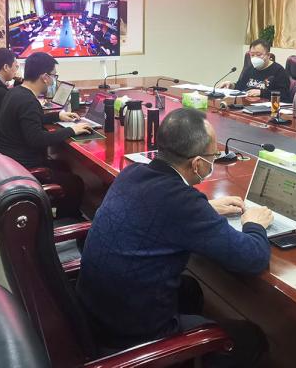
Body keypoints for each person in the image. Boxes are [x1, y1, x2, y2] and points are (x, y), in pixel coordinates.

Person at [77, 108, 271, 367]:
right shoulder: (182, 203)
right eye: (213, 157)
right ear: (197, 164)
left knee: (189, 289)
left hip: (94, 314)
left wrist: (205, 208)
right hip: (130, 334)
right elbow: (252, 258)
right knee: (249, 338)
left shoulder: (133, 173)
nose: (213, 162)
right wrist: (254, 223)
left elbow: (158, 210)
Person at [0, 52, 90, 217]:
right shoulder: (28, 101)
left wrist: (57, 116)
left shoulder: (16, 93)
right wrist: (71, 130)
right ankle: (68, 222)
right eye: (53, 76)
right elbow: (37, 139)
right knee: (75, 182)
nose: (53, 80)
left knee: (63, 166)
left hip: (11, 162)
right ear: (45, 77)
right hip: (25, 166)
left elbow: (29, 120)